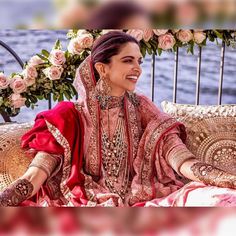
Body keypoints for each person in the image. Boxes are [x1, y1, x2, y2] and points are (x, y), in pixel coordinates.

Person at [1, 31, 236, 207]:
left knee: (222, 201)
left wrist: (225, 178)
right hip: (91, 205)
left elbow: (181, 160)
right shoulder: (69, 116)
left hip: (146, 201)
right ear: (102, 68)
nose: (138, 69)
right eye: (128, 60)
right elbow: (35, 174)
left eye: (139, 61)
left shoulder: (143, 108)